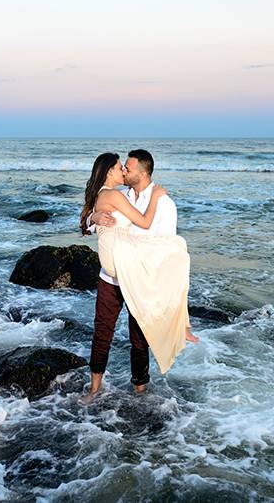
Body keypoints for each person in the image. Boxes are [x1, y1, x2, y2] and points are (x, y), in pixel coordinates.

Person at [80, 150, 198, 402]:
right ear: (110, 171)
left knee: (139, 336)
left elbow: (162, 245)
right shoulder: (120, 194)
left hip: (140, 275)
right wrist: (93, 217)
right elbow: (94, 216)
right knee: (102, 331)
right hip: (112, 278)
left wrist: (154, 199)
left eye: (128, 168)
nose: (124, 170)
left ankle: (140, 388)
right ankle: (94, 388)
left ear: (142, 173)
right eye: (121, 167)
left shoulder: (164, 204)